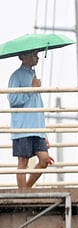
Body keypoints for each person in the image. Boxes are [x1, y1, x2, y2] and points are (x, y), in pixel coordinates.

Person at [7, 50, 51, 189]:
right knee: (23, 162)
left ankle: (26, 189)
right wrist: (31, 88)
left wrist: (44, 133)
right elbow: (13, 99)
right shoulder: (16, 76)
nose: (37, 58)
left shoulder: (34, 76)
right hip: (23, 127)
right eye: (34, 55)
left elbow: (39, 106)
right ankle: (23, 194)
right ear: (24, 57)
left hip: (37, 128)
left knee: (44, 160)